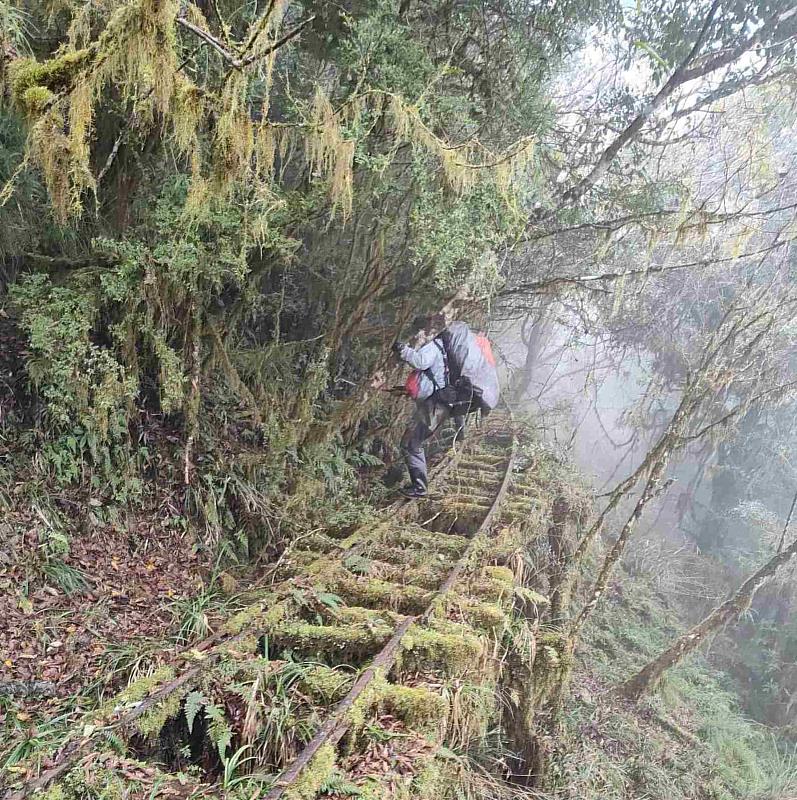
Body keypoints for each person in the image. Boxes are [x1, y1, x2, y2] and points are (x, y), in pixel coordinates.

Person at [392, 338, 466, 498]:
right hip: (436, 404)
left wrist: (403, 349)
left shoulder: (433, 345)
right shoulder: (443, 349)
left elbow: (421, 362)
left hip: (435, 406)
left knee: (411, 443)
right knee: (410, 442)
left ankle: (419, 488)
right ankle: (419, 485)